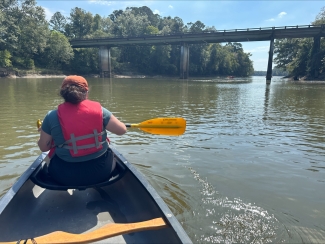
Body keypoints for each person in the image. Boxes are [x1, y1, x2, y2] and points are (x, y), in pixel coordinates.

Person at [37, 75, 127, 186]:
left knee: (49, 159)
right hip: (102, 173)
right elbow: (122, 130)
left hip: (64, 176)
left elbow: (44, 147)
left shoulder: (51, 116)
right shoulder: (100, 111)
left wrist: (44, 134)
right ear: (86, 92)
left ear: (63, 93)